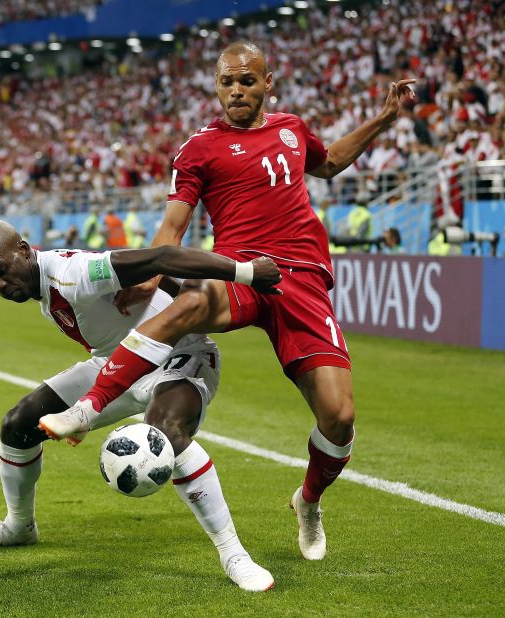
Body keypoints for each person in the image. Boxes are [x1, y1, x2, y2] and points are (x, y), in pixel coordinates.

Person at [39, 41, 416, 563]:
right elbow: (174, 224)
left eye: (246, 81)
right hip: (240, 272)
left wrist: (384, 118)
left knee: (339, 416)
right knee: (188, 306)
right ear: (217, 87)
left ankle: (308, 501)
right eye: (226, 82)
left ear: (267, 84)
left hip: (301, 281)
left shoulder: (292, 129)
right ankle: (89, 408)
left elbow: (327, 164)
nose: (235, 91)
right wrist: (150, 274)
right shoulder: (199, 149)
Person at [0, 219, 282, 592]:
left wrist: (245, 272)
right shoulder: (44, 287)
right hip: (115, 362)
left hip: (179, 355)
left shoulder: (72, 273)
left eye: (0, 271)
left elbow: (163, 256)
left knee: (167, 433)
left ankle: (234, 554)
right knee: (17, 425)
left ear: (23, 249)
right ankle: (20, 526)